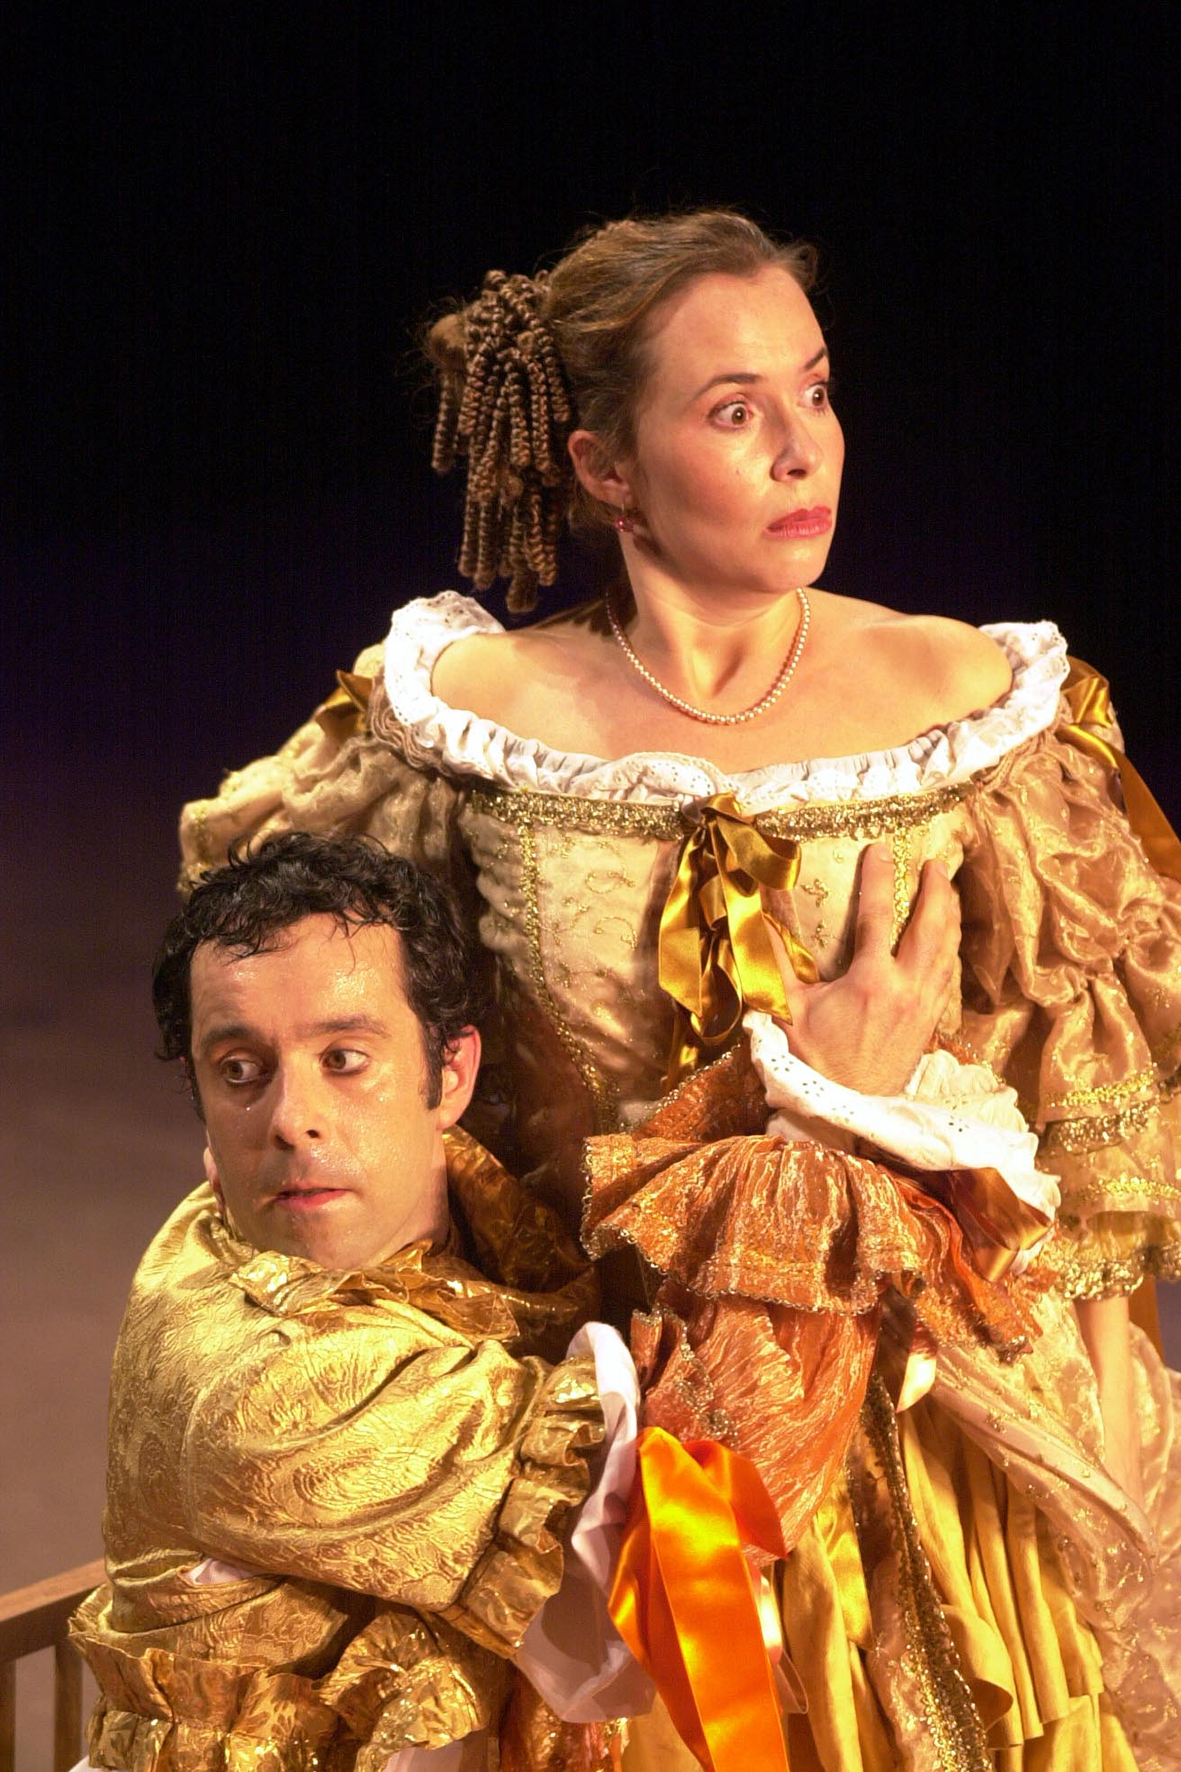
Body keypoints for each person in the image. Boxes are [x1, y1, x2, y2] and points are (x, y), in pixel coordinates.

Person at [179, 212, 1181, 1767]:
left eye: (816, 390)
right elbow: (328, 1057)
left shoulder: (969, 714)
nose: (803, 448)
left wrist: (1108, 1477)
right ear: (603, 468)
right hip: (597, 1443)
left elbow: (1077, 1179)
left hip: (915, 1428)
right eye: (733, 411)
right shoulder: (463, 727)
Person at [70, 833, 665, 1772]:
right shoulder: (257, 1391)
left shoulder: (472, 1216)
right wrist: (827, 1109)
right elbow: (679, 1524)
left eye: (344, 1058)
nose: (289, 1120)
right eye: (239, 1071)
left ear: (450, 1075)